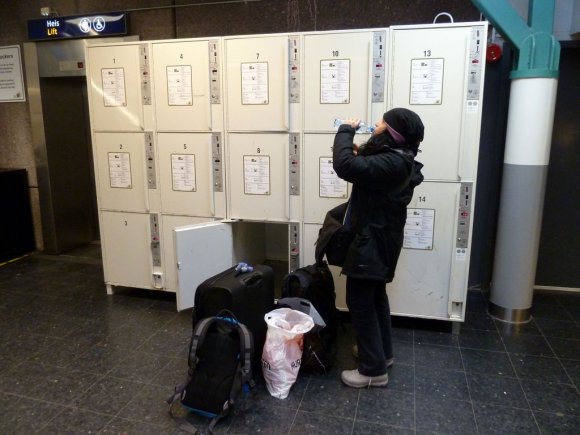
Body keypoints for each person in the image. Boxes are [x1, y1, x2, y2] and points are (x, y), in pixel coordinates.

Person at [333, 108, 425, 388]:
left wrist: (345, 131)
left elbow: (344, 166)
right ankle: (381, 355)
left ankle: (372, 371)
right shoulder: (397, 159)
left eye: (382, 121)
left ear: (392, 132)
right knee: (375, 298)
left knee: (360, 302)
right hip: (381, 240)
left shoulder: (392, 162)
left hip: (372, 243)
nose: (376, 123)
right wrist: (364, 153)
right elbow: (369, 170)